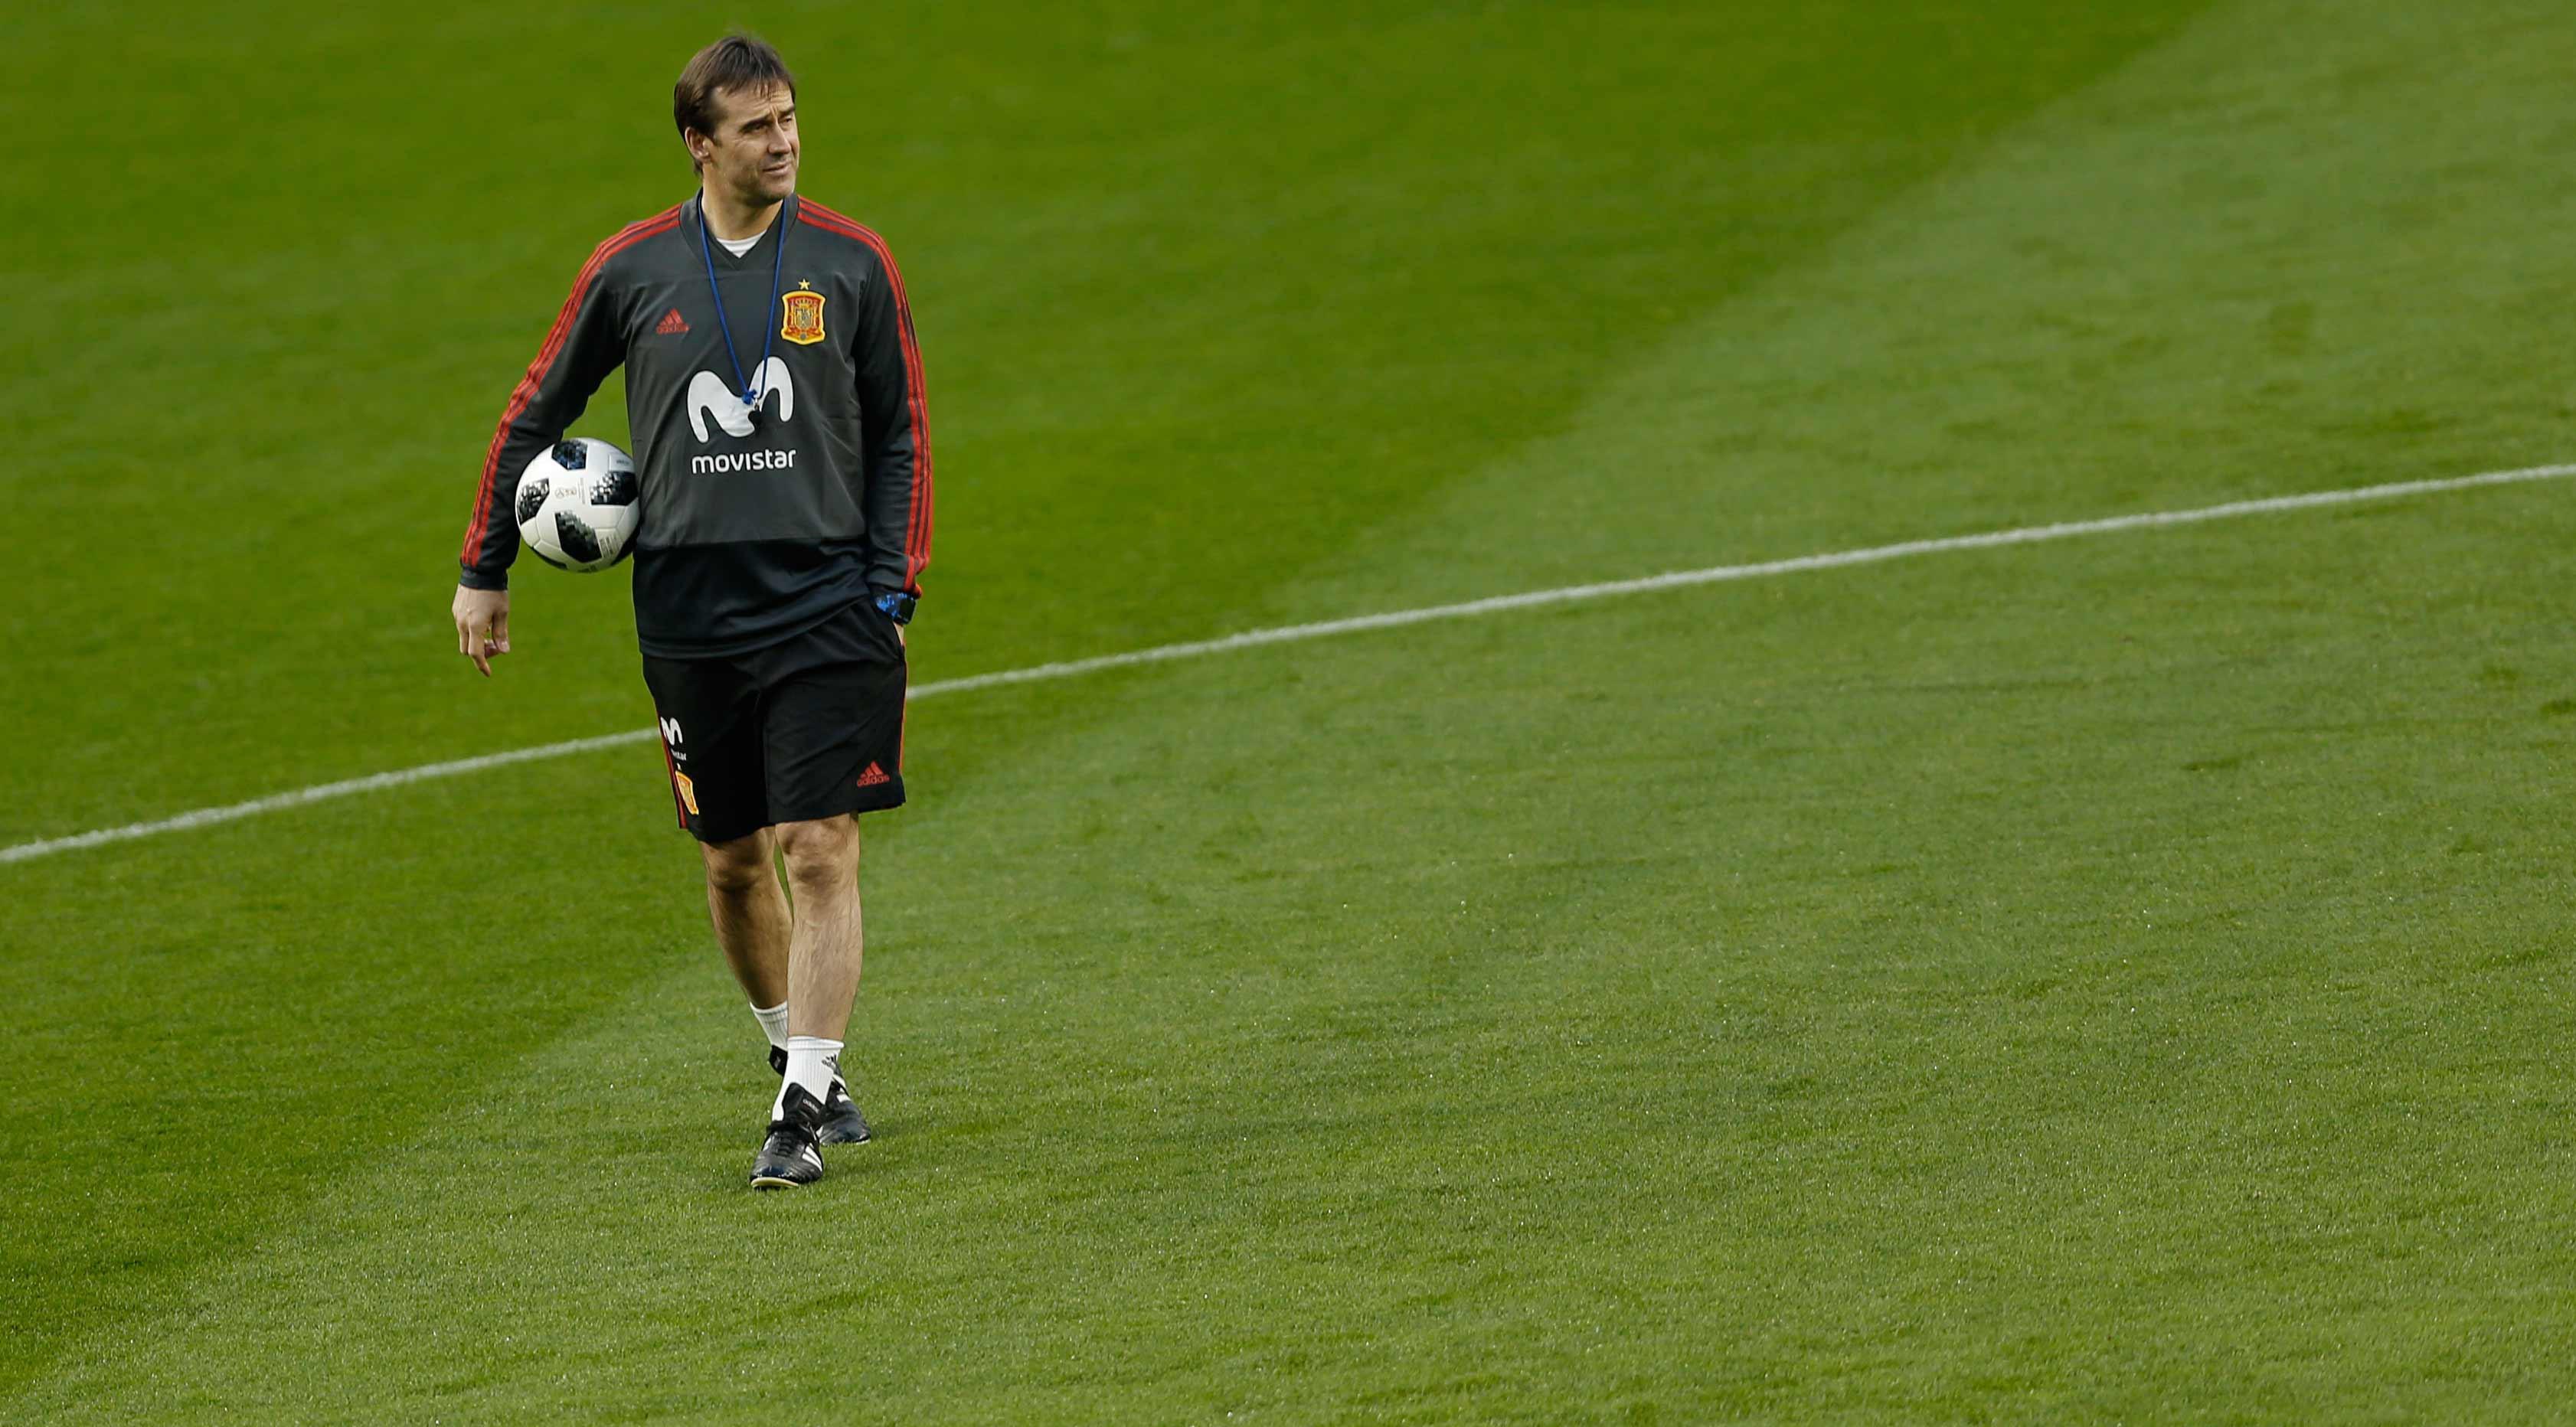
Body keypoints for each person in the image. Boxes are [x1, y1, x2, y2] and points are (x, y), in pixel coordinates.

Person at [449, 34, 933, 1189]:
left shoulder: (853, 262)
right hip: (687, 617)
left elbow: (901, 427)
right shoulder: (631, 271)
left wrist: (890, 583)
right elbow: (534, 407)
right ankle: (793, 1055)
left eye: (791, 119)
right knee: (730, 863)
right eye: (758, 126)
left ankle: (801, 1109)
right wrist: (486, 567)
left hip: (827, 606)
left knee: (819, 848)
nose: (785, 141)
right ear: (699, 143)